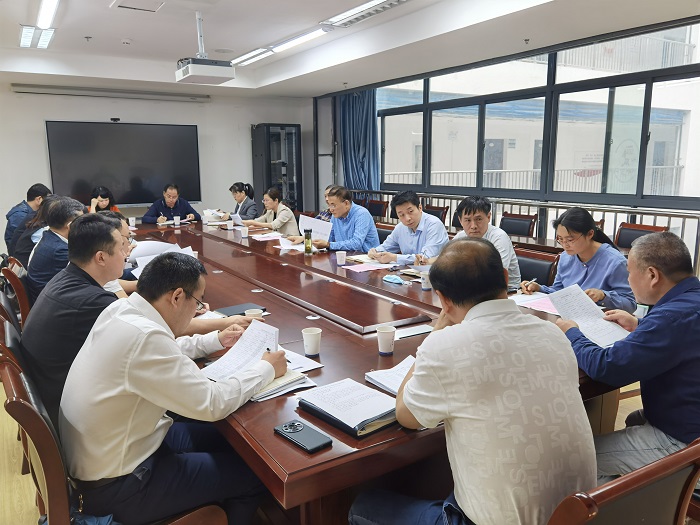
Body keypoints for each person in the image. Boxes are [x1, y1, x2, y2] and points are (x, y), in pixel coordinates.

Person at [349, 238, 596, 525]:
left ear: (442, 299)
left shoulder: (445, 345)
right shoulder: (553, 333)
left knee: (363, 506)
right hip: (580, 513)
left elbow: (407, 417)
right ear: (505, 276)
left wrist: (434, 335)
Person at [60, 252, 287, 524]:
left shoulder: (121, 311)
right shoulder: (145, 337)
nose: (198, 310)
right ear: (177, 296)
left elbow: (164, 350)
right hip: (123, 486)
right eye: (198, 302)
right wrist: (266, 368)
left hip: (117, 456)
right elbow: (212, 403)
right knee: (255, 475)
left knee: (233, 445)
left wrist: (215, 340)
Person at [556, 232, 700, 485]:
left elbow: (606, 367)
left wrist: (572, 333)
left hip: (687, 442)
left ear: (652, 275)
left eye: (630, 273)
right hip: (687, 417)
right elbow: (680, 334)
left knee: (575, 459)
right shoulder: (688, 303)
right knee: (634, 419)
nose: (628, 281)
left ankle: (627, 503)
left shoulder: (669, 319)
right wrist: (640, 325)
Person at [22, 213, 127, 427]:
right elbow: (142, 344)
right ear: (101, 257)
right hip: (72, 415)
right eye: (121, 249)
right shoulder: (94, 302)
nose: (126, 254)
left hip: (52, 393)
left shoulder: (66, 278)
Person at [521, 207, 636, 313]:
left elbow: (630, 304)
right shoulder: (565, 257)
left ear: (590, 234)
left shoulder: (615, 262)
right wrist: (539, 288)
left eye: (570, 240)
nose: (565, 245)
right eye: (560, 239)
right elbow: (559, 292)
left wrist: (603, 296)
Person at [25, 196, 85, 304]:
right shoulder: (59, 251)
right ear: (70, 226)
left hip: (47, 300)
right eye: (82, 223)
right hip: (53, 306)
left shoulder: (49, 237)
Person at [367, 190, 448, 265]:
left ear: (420, 208)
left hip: (434, 272)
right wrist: (375, 252)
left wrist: (394, 258)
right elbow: (386, 247)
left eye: (410, 211)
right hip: (408, 272)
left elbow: (425, 259)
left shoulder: (434, 225)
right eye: (401, 215)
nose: (407, 219)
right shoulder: (400, 228)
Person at [291, 186, 379, 252]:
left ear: (346, 203)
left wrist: (328, 245)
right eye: (329, 205)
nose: (330, 209)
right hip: (346, 256)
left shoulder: (361, 214)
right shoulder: (335, 215)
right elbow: (329, 238)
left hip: (366, 259)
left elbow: (356, 243)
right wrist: (305, 238)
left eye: (333, 205)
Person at [4, 183, 51, 247]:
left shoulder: (27, 212)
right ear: (39, 199)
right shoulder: (20, 215)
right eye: (47, 200)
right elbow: (19, 241)